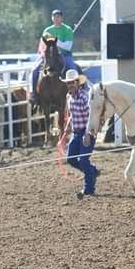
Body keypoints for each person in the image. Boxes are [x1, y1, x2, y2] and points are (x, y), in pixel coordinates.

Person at [60, 69, 99, 197]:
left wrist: (88, 134)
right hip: (77, 133)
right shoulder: (68, 97)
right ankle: (92, 171)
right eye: (68, 83)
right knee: (70, 159)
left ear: (77, 83)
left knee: (83, 160)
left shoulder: (84, 97)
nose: (70, 85)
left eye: (72, 83)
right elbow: (72, 115)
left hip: (87, 131)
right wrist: (66, 129)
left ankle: (89, 189)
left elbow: (91, 117)